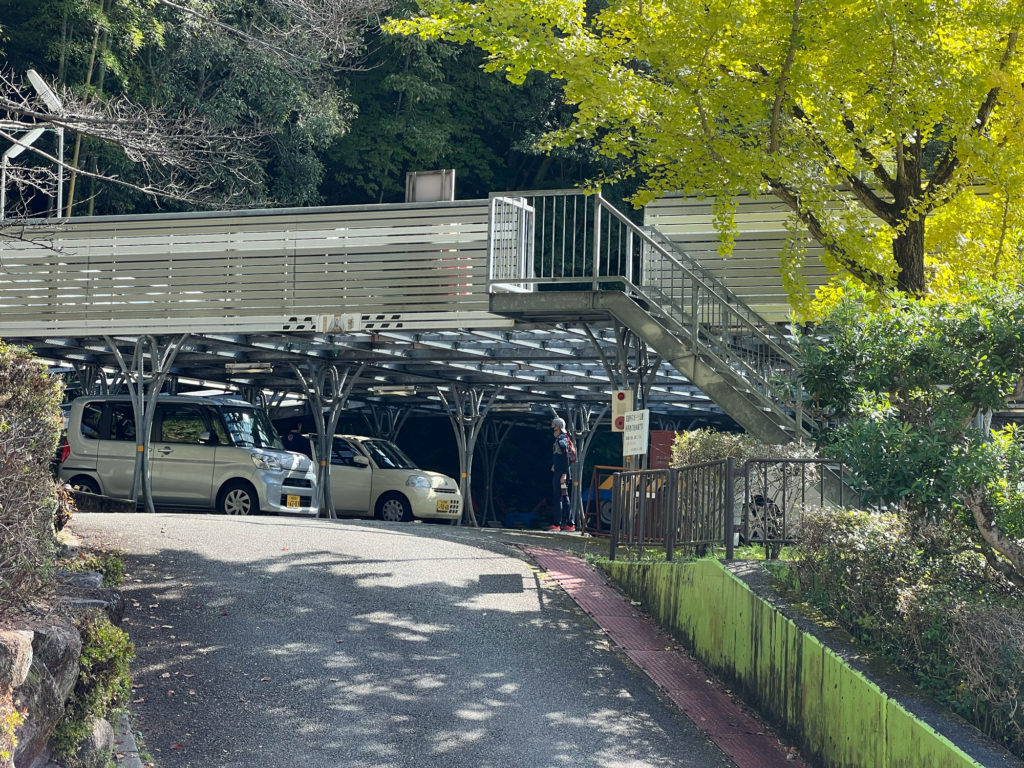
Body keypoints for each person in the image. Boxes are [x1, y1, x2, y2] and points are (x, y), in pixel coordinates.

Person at [548, 417, 574, 531]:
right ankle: (570, 523)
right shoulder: (562, 439)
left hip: (561, 473)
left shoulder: (561, 440)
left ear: (558, 426)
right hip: (561, 471)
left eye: (554, 425)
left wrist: (564, 474)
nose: (552, 427)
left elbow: (565, 456)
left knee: (559, 496)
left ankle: (557, 524)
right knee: (564, 496)